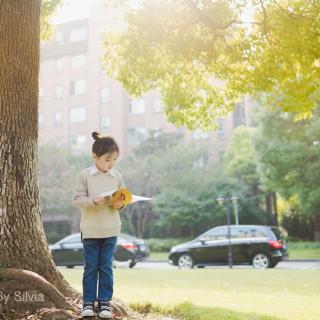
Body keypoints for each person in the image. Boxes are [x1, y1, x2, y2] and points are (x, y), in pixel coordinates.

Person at [72, 131, 125, 318]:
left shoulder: (117, 177)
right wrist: (93, 201)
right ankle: (88, 302)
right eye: (107, 159)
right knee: (91, 267)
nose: (111, 164)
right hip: (91, 230)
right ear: (94, 156)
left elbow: (121, 201)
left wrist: (120, 204)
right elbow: (77, 199)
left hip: (111, 230)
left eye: (115, 159)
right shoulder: (84, 175)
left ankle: (104, 303)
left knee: (106, 267)